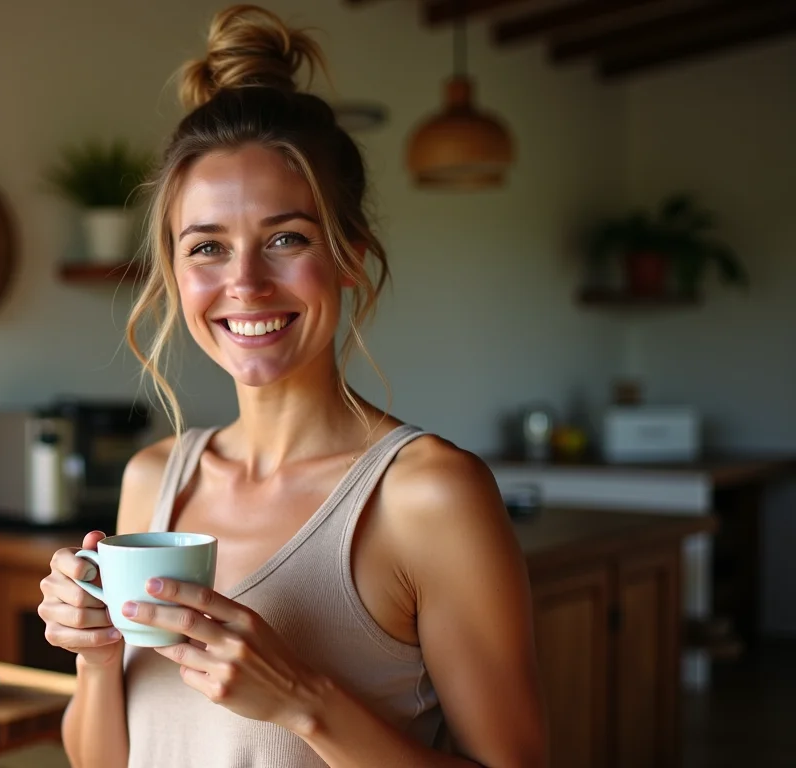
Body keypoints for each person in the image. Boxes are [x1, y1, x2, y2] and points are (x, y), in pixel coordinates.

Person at [37, 5, 546, 767]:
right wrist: (97, 655)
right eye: (207, 247)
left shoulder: (429, 495)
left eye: (286, 238)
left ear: (349, 256)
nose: (244, 282)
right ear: (174, 275)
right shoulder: (154, 480)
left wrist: (302, 700)